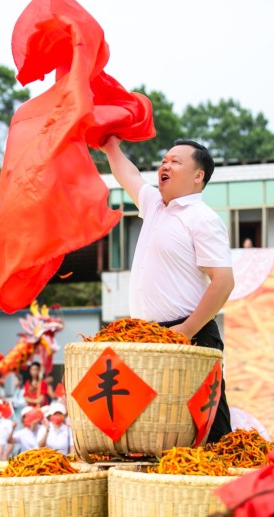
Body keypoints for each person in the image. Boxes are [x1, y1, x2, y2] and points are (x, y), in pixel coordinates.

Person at [102, 136, 236, 443]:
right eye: (164, 160)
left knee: (208, 432)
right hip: (146, 336)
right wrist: (110, 146)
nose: (165, 165)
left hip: (190, 334)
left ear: (198, 175)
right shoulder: (154, 205)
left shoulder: (202, 218)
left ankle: (223, 490)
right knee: (152, 433)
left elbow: (224, 281)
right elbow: (129, 176)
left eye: (175, 161)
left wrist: (185, 331)